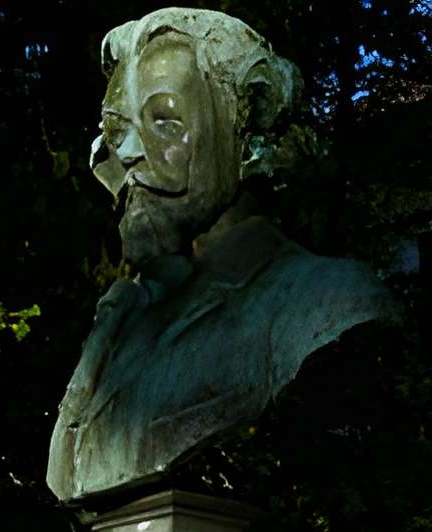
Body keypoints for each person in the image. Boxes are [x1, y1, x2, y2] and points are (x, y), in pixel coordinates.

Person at [48, 10, 394, 504]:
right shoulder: (123, 319)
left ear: (249, 126)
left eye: (163, 120)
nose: (121, 152)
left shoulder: (325, 302)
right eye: (115, 126)